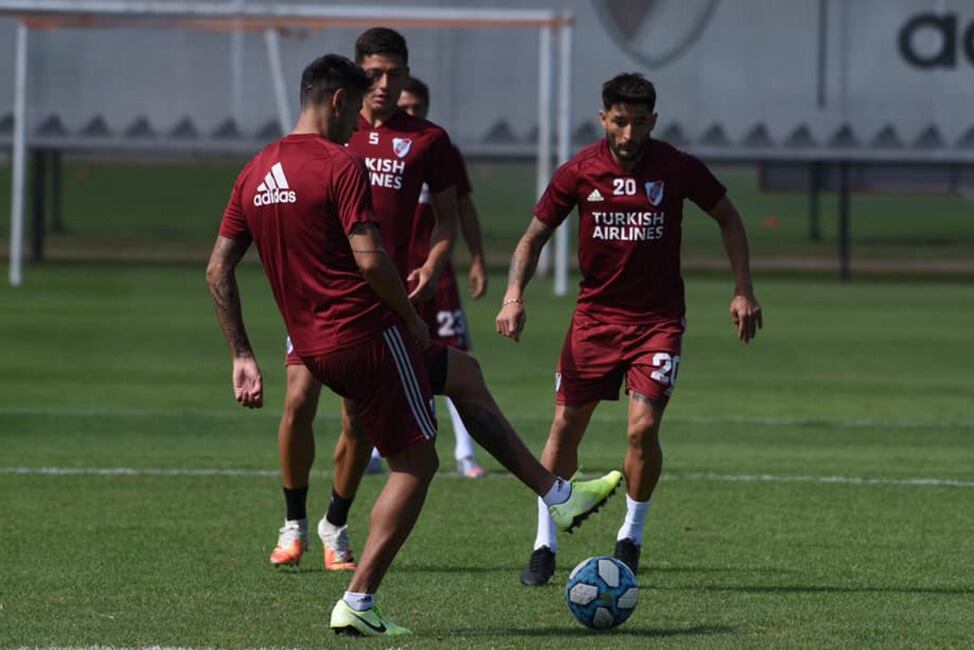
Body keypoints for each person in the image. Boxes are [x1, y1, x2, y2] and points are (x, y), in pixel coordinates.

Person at [268, 27, 623, 582]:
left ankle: (335, 528)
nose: (386, 86)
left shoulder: (427, 140)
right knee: (336, 418)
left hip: (379, 307)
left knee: (382, 418)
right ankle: (305, 537)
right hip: (336, 309)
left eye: (396, 74)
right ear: (353, 83)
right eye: (375, 75)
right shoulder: (329, 141)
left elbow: (449, 216)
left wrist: (437, 267)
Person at [496, 73, 763, 586]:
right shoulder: (579, 171)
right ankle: (543, 543)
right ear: (604, 119)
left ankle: (631, 535)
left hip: (657, 323)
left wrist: (743, 288)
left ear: (653, 122)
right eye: (619, 121)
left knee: (642, 429)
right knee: (564, 429)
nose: (628, 132)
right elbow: (533, 238)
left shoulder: (677, 167)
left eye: (639, 122)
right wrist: (514, 296)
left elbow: (729, 217)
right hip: (594, 321)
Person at [206, 54, 438, 636]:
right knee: (417, 460)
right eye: (355, 110)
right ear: (338, 101)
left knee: (456, 378)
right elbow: (370, 259)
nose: (359, 124)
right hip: (362, 331)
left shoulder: (255, 169)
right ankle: (358, 600)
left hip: (308, 343)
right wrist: (409, 316)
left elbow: (217, 270)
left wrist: (241, 352)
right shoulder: (342, 163)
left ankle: (552, 490)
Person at [401, 76, 489, 479]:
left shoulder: (440, 150)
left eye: (417, 107)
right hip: (393, 274)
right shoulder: (367, 148)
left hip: (438, 276)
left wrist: (478, 259)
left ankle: (466, 453)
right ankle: (372, 451)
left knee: (454, 359)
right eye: (405, 107)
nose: (411, 113)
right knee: (383, 361)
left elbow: (463, 207)